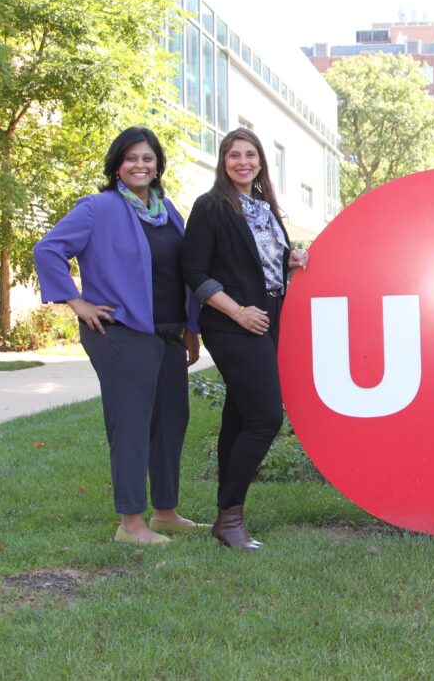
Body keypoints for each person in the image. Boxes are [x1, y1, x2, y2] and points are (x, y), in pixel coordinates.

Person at [34, 127, 203, 546]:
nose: (140, 165)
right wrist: (76, 302)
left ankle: (165, 512)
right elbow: (48, 249)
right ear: (117, 165)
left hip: (166, 333)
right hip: (119, 332)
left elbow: (182, 272)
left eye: (148, 158)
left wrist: (191, 329)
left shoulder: (168, 213)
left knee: (171, 419)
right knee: (131, 423)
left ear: (158, 165)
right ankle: (130, 523)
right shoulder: (98, 208)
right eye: (131, 159)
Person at [182, 127, 309, 551]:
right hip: (232, 322)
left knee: (238, 417)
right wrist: (237, 310)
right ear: (223, 161)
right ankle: (230, 516)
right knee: (266, 417)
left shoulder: (264, 207)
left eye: (250, 154)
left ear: (260, 161)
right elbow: (195, 272)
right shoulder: (211, 206)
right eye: (234, 155)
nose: (243, 161)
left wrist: (289, 259)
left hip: (269, 317)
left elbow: (257, 264)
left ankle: (226, 517)